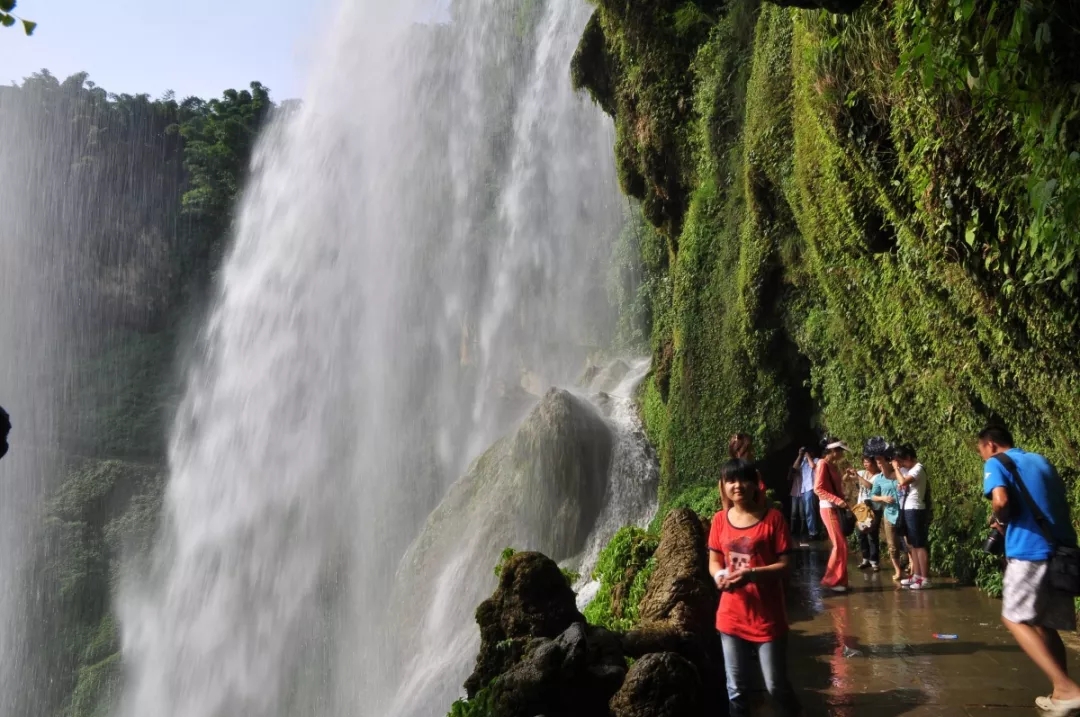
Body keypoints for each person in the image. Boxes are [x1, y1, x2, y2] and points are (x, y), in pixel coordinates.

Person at [979, 426, 1080, 716]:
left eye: (981, 451)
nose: (982, 456)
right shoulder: (1041, 460)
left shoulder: (995, 462)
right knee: (1044, 623)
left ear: (990, 445)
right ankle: (1059, 694)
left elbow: (1000, 500)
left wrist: (1000, 521)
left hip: (1028, 551)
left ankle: (1067, 688)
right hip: (1061, 552)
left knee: (1014, 618)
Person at [708, 459, 801, 717]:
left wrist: (750, 575)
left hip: (767, 617)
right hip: (730, 617)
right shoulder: (719, 520)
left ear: (755, 484)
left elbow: (786, 566)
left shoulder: (773, 520)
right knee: (736, 689)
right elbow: (714, 562)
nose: (738, 486)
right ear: (723, 486)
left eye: (744, 480)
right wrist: (720, 576)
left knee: (776, 686)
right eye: (731, 480)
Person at [814, 437, 850, 592]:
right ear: (833, 450)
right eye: (840, 450)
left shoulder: (832, 466)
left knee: (841, 545)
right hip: (828, 508)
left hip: (835, 507)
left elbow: (833, 485)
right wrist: (837, 500)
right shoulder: (822, 464)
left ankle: (840, 580)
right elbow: (818, 488)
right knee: (839, 544)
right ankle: (831, 580)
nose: (842, 453)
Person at [895, 443, 931, 589]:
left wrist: (897, 468)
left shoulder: (918, 469)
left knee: (919, 544)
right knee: (912, 545)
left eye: (903, 461)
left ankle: (925, 578)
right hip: (909, 509)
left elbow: (902, 481)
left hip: (916, 509)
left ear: (909, 457)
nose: (902, 464)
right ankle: (917, 575)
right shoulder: (911, 469)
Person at [870, 450, 905, 582]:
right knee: (892, 545)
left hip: (903, 512)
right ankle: (898, 571)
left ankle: (913, 567)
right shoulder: (878, 479)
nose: (880, 465)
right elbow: (872, 496)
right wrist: (883, 498)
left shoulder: (897, 474)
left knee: (908, 543)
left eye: (882, 462)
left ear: (888, 462)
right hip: (889, 514)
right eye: (878, 463)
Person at [724, 433, 767, 511]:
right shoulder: (727, 477)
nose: (752, 453)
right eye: (749, 450)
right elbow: (726, 506)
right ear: (739, 453)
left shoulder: (755, 472)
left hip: (763, 518)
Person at [789, 446, 821, 543]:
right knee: (807, 512)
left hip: (811, 488)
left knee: (810, 511)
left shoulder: (816, 460)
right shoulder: (802, 462)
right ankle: (812, 531)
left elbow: (813, 466)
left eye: (807, 452)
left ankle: (814, 533)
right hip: (803, 490)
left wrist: (808, 457)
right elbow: (794, 468)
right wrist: (800, 455)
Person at [854, 454, 880, 571]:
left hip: (872, 508)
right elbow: (845, 478)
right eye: (864, 462)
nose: (865, 464)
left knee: (872, 535)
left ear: (874, 463)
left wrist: (858, 477)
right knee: (860, 534)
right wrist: (849, 473)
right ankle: (865, 558)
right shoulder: (862, 473)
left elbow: (870, 486)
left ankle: (874, 561)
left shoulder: (879, 476)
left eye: (867, 462)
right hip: (861, 509)